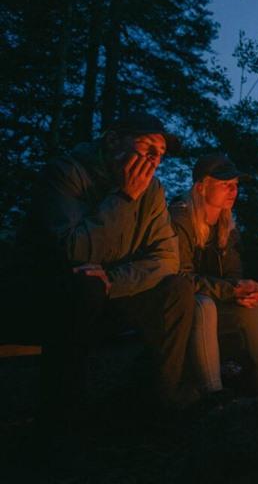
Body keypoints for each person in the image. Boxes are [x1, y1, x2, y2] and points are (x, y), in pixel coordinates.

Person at [26, 112, 197, 427]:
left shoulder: (153, 191)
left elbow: (166, 258)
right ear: (113, 140)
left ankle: (157, 402)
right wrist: (124, 197)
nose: (154, 160)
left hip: (115, 294)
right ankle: (63, 416)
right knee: (85, 284)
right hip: (61, 297)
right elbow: (73, 252)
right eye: (147, 148)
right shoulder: (67, 173)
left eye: (160, 155)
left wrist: (113, 281)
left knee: (179, 289)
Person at [170, 153, 258, 395]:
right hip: (179, 305)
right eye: (225, 184)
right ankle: (213, 393)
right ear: (201, 188)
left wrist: (241, 291)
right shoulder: (180, 218)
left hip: (213, 298)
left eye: (235, 185)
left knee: (251, 304)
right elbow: (179, 278)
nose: (233, 191)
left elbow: (233, 274)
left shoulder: (226, 224)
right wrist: (231, 290)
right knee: (205, 306)